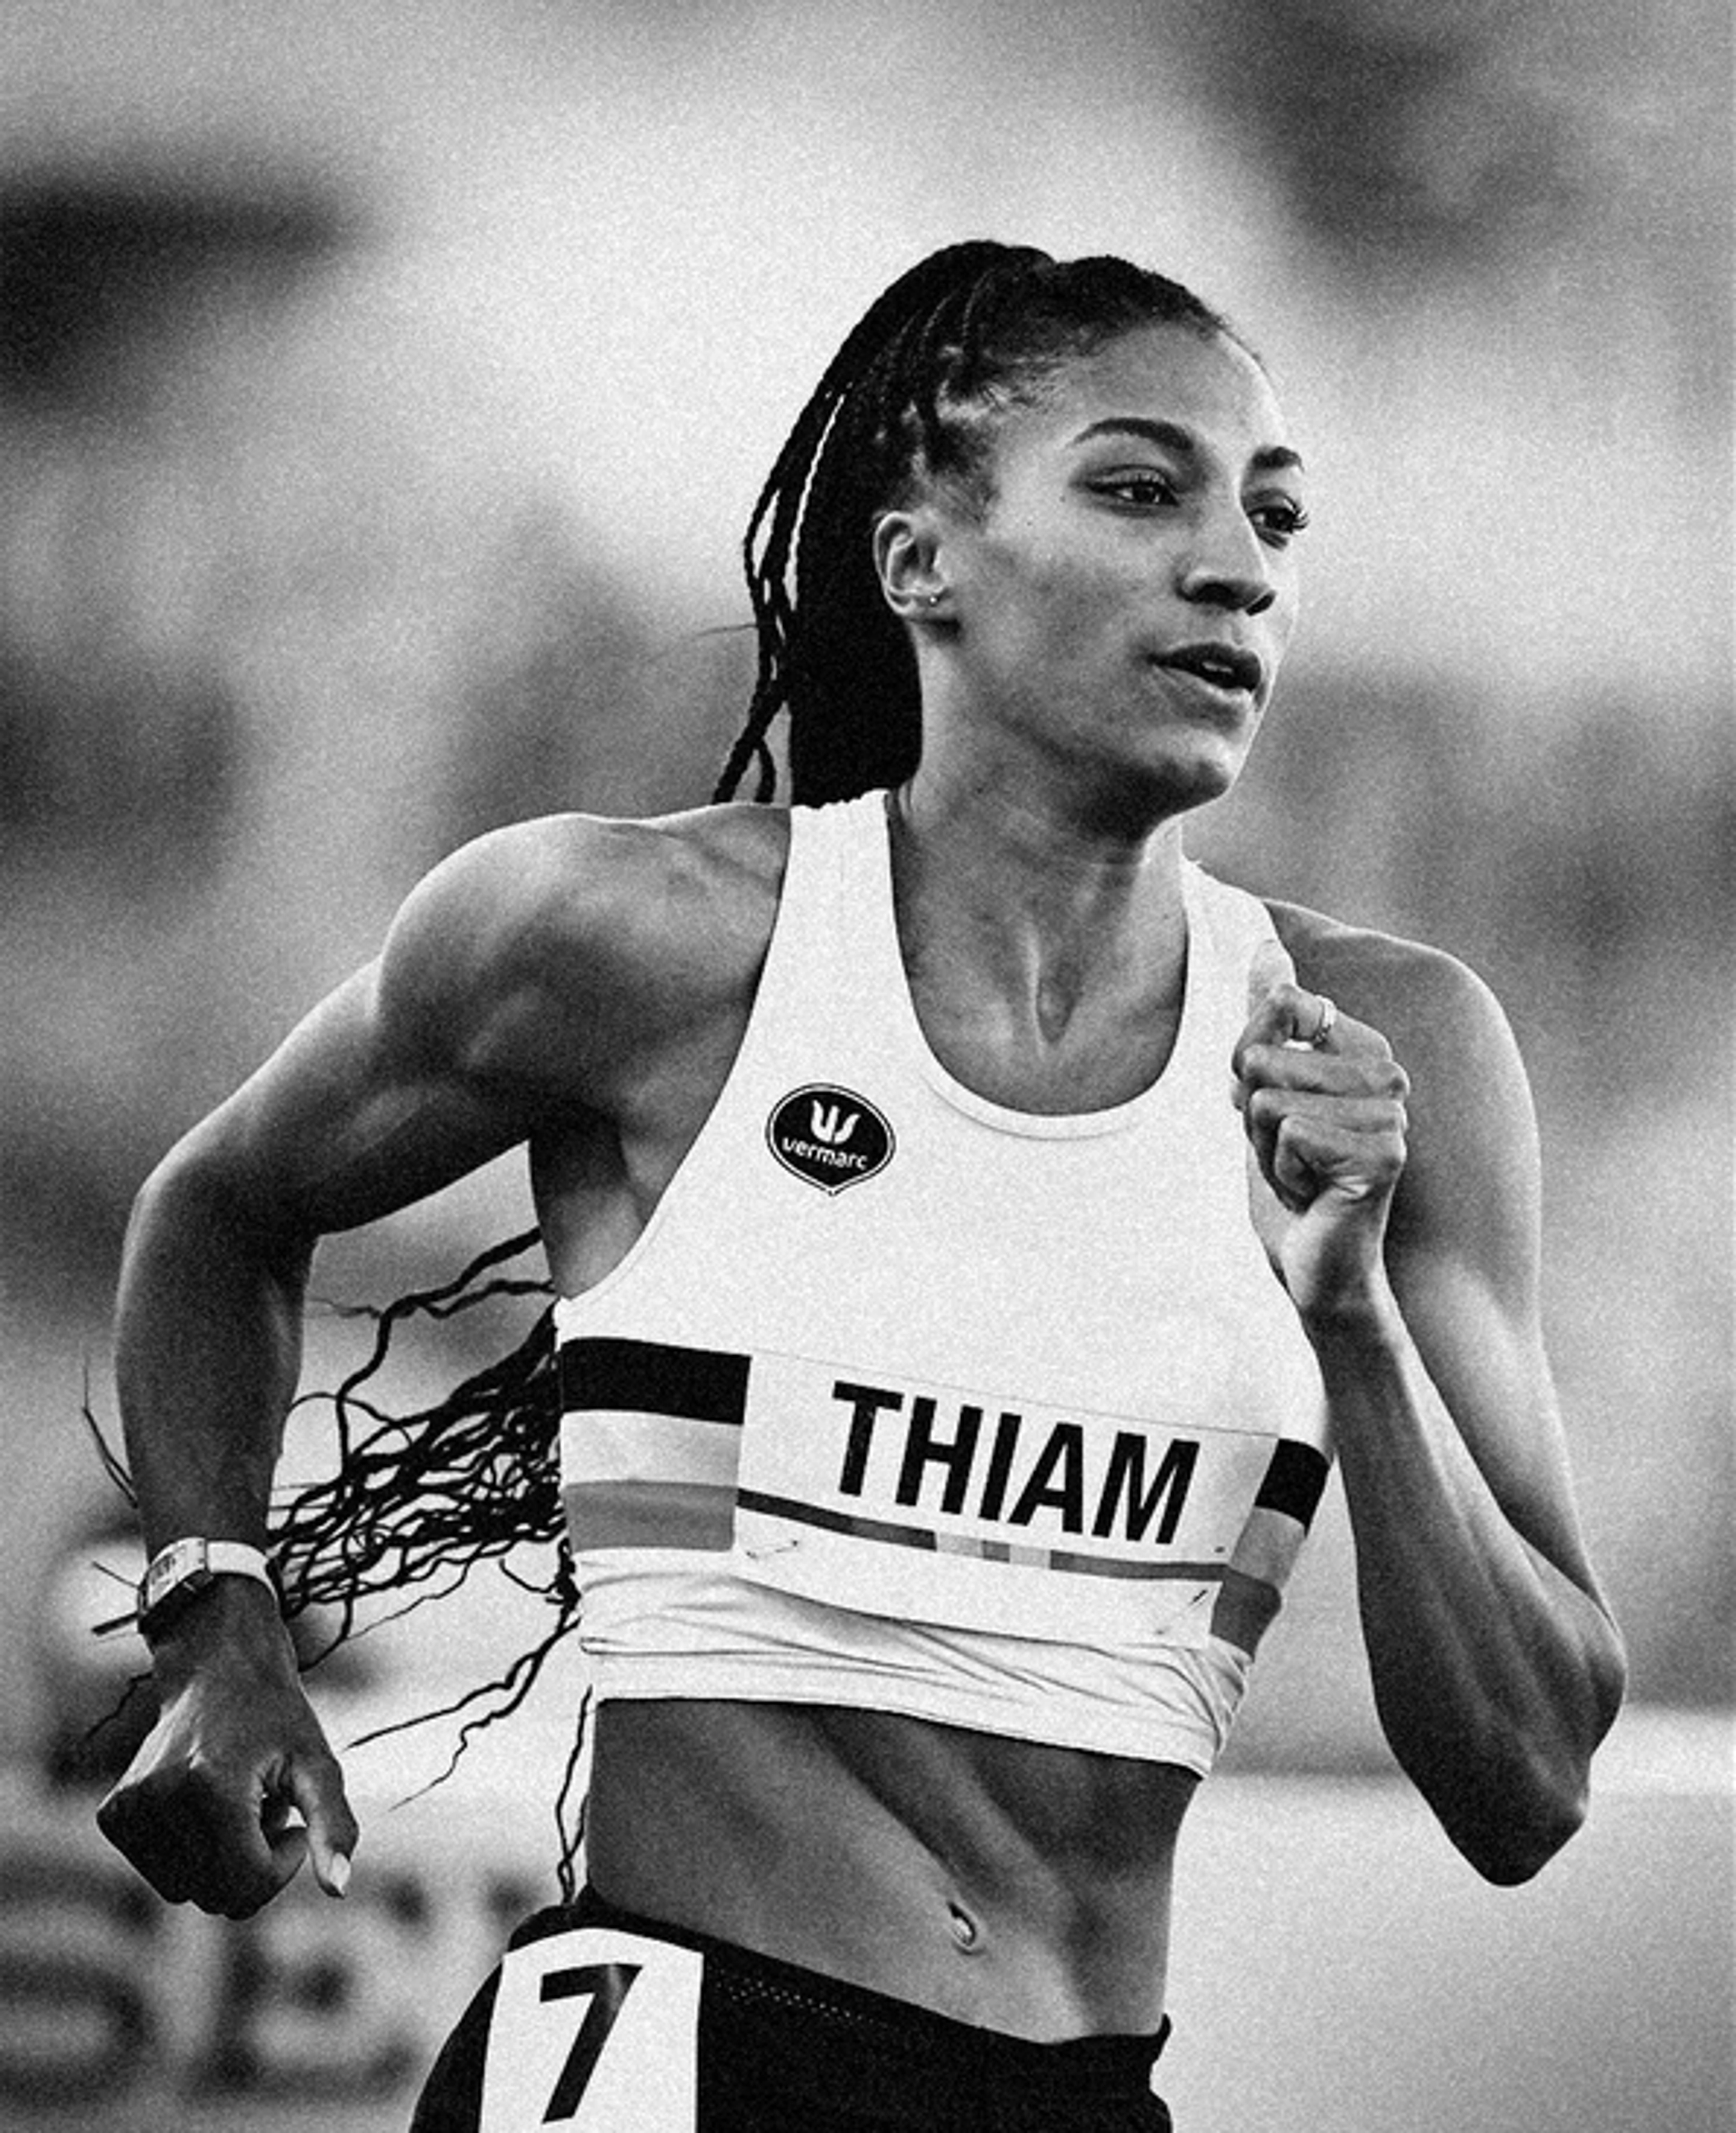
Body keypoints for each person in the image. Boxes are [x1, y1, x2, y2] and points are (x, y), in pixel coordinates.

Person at [95, 241, 1626, 2132]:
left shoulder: (1394, 1053)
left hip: (1079, 2092)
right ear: (923, 566)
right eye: (1142, 489)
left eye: (1273, 515)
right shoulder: (638, 941)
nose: (1238, 566)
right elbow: (218, 1207)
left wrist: (1352, 1323)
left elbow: (1531, 1788)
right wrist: (218, 1628)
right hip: (677, 2059)